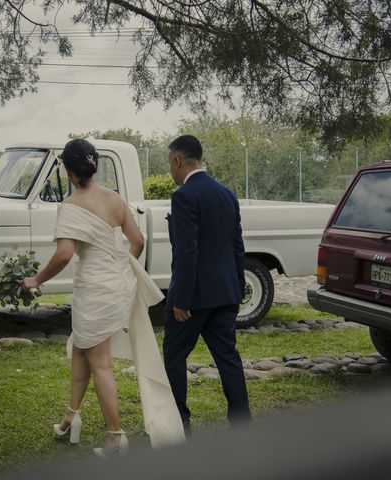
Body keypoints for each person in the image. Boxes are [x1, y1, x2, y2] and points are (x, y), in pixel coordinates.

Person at [21, 138, 185, 457]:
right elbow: (137, 240)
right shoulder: (115, 199)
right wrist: (121, 269)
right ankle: (71, 417)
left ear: (69, 170)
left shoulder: (71, 206)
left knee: (100, 363)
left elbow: (65, 254)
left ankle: (115, 437)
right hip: (114, 286)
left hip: (94, 289)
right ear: (93, 166)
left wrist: (36, 280)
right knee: (82, 350)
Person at [163, 135, 252, 436]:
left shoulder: (184, 196)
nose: (170, 171)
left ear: (177, 160)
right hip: (225, 293)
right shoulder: (227, 194)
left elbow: (187, 253)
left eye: (169, 164)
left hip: (193, 299)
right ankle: (242, 423)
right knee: (228, 358)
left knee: (174, 357)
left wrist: (181, 300)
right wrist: (238, 289)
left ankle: (180, 423)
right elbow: (237, 245)